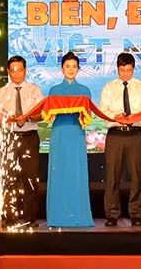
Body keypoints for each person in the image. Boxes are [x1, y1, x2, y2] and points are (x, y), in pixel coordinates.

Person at [99, 52, 141, 227]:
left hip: (135, 134)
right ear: (117, 69)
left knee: (137, 176)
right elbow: (102, 111)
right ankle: (112, 214)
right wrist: (116, 116)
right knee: (112, 176)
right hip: (115, 134)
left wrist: (132, 116)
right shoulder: (109, 87)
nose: (125, 74)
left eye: (128, 70)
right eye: (122, 70)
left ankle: (136, 214)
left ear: (133, 69)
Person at [0, 55, 44, 226]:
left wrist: (28, 117)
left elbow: (42, 115)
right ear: (8, 72)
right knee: (10, 178)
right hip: (9, 138)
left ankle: (30, 218)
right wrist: (8, 118)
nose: (17, 74)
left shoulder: (34, 89)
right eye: (13, 70)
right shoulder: (2, 93)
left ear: (25, 70)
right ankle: (10, 217)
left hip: (29, 137)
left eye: (20, 70)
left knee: (30, 178)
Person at [46, 52, 94, 227]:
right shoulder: (54, 91)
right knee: (59, 172)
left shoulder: (85, 91)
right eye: (67, 66)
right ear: (61, 69)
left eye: (74, 67)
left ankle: (79, 215)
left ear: (78, 69)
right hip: (59, 134)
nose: (71, 70)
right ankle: (57, 216)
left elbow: (87, 117)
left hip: (76, 135)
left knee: (76, 172)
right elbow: (48, 117)